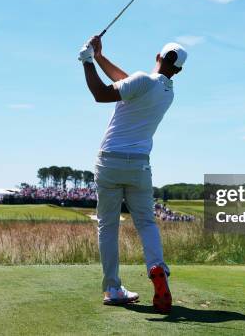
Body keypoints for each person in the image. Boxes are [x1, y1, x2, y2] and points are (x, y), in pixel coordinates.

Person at [79, 35, 187, 314]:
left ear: (157, 56)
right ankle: (157, 268)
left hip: (110, 162)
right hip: (140, 165)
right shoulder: (166, 92)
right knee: (146, 223)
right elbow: (128, 82)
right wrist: (101, 57)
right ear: (179, 71)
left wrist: (87, 61)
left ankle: (113, 287)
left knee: (108, 226)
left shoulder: (141, 81)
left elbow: (101, 94)